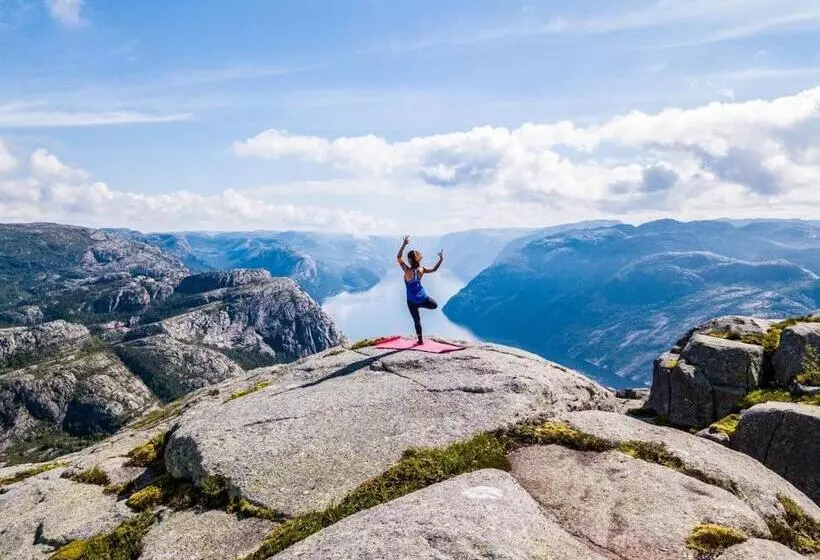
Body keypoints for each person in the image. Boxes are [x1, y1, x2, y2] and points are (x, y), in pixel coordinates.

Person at [397, 235, 444, 345]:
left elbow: (399, 258)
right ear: (418, 258)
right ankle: (420, 305)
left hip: (412, 301)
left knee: (417, 321)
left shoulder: (407, 271)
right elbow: (434, 269)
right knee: (435, 305)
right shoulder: (421, 269)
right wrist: (441, 259)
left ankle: (420, 341)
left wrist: (404, 244)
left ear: (409, 260)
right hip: (423, 298)